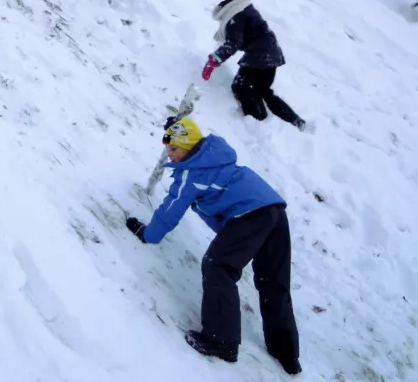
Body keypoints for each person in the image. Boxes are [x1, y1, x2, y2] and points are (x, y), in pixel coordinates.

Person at [125, 118, 301, 375]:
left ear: (187, 146)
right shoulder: (214, 159)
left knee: (217, 264)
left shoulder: (191, 173)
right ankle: (286, 352)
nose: (170, 156)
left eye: (174, 149)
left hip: (250, 213)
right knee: (273, 282)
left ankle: (222, 341)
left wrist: (147, 234)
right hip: (274, 210)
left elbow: (170, 211)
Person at [201, 0, 306, 131]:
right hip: (269, 53)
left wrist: (215, 59)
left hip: (260, 56)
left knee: (241, 87)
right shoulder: (239, 7)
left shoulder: (238, 13)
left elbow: (234, 42)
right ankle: (296, 121)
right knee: (262, 91)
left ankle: (258, 123)